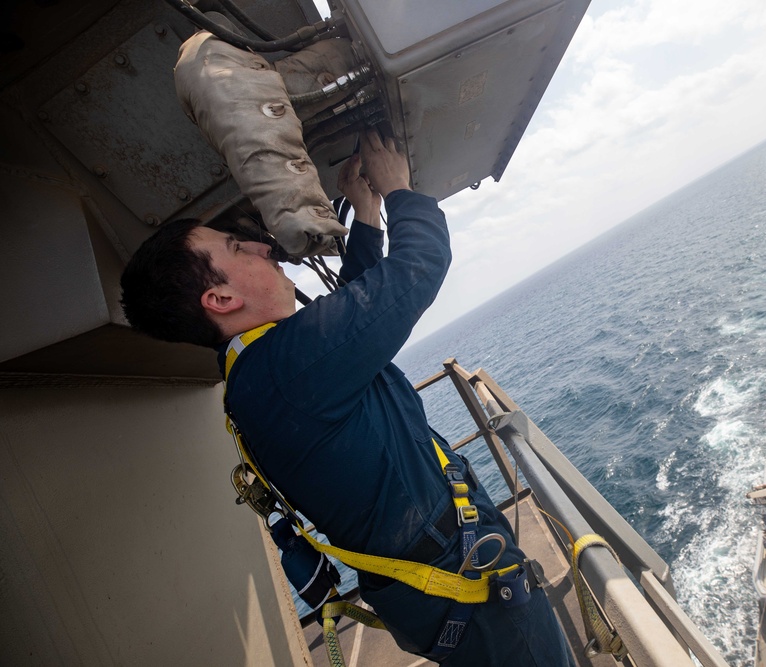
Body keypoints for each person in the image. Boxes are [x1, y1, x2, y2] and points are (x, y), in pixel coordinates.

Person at [120, 131, 573, 665]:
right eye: (237, 248)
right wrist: (399, 190)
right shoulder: (288, 369)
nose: (264, 246)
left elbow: (355, 314)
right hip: (462, 582)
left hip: (434, 584)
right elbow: (417, 269)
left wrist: (365, 215)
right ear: (221, 298)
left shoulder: (264, 371)